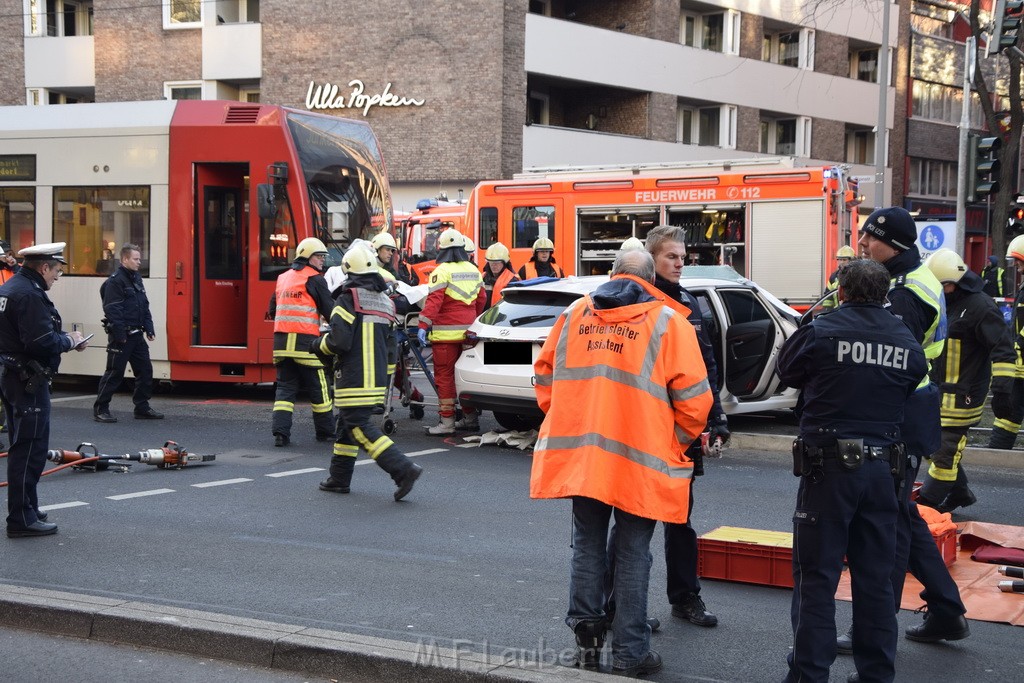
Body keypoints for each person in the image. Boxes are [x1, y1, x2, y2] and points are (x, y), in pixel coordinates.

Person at [530, 249, 712, 676]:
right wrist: (675, 443)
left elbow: (544, 376)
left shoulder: (576, 314)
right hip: (640, 461)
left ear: (612, 276)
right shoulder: (669, 323)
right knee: (634, 554)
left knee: (587, 547)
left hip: (583, 458)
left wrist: (567, 417)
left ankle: (587, 646)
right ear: (651, 280)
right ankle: (631, 654)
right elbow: (695, 403)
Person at [777, 258, 927, 683]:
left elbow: (788, 371)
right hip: (885, 473)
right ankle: (876, 675)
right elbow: (914, 377)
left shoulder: (823, 329)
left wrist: (814, 322)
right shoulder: (903, 335)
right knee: (876, 580)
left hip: (828, 472)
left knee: (817, 577)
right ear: (883, 294)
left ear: (841, 291)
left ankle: (809, 674)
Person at [840, 206, 968, 654]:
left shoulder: (906, 294)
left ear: (890, 242)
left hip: (899, 412)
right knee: (900, 515)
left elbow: (892, 360)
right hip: (909, 409)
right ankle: (947, 610)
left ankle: (873, 630)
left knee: (885, 526)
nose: (863, 246)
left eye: (869, 239)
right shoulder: (906, 279)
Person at [640, 225, 730, 628]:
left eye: (682, 256)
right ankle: (620, 606)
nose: (680, 263)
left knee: (680, 520)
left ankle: (685, 597)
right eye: (670, 257)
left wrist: (717, 418)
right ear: (651, 260)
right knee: (632, 525)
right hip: (642, 429)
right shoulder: (639, 302)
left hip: (683, 432)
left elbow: (705, 367)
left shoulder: (690, 303)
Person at [315, 245, 423, 500]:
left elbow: (338, 341)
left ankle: (403, 469)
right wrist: (384, 379)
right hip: (376, 377)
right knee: (347, 424)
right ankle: (339, 477)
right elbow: (390, 346)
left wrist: (317, 345)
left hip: (354, 375)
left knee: (358, 426)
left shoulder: (348, 297)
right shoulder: (384, 301)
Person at [0, 243, 88, 538]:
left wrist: (63, 338)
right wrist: (70, 340)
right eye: (57, 270)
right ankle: (21, 519)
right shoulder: (28, 295)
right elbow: (40, 342)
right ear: (44, 267)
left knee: (21, 445)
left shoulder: (12, 288)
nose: (58, 276)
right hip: (28, 380)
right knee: (30, 450)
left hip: (13, 376)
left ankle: (28, 508)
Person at [919, 249, 1015, 513]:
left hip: (964, 396)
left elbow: (1003, 348)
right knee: (930, 445)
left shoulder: (981, 307)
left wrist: (1003, 390)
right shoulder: (945, 304)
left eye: (942, 286)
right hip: (938, 392)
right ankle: (960, 493)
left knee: (944, 454)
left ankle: (927, 507)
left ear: (953, 282)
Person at [266, 237, 335, 447]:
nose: (322, 261)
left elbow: (272, 309)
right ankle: (325, 431)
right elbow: (330, 310)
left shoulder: (283, 278)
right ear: (308, 257)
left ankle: (280, 434)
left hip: (281, 344)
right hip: (305, 345)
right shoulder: (315, 279)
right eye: (319, 256)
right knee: (319, 387)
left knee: (285, 390)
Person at [418, 228, 485, 435]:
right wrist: (470, 319)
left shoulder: (442, 271)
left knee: (445, 377)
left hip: (445, 337)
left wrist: (422, 325)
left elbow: (434, 302)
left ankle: (446, 423)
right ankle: (470, 418)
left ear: (442, 249)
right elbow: (481, 299)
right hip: (468, 335)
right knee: (463, 376)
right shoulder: (474, 270)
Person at [93, 243, 162, 422]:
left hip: (137, 335)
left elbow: (144, 305)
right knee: (114, 373)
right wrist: (120, 335)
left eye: (140, 259)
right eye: (136, 259)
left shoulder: (136, 278)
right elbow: (112, 311)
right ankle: (101, 409)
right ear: (124, 259)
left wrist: (149, 328)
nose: (139, 262)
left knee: (145, 371)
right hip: (122, 336)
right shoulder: (115, 282)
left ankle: (142, 407)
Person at [989, 235, 1024, 450]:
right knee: (1009, 412)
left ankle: (998, 451)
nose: (1017, 266)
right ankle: (998, 451)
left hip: (1021, 366)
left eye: (1020, 261)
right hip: (1019, 367)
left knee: (1010, 410)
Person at [481, 242, 519, 309]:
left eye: (497, 263)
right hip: (484, 317)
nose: (494, 265)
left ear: (504, 263)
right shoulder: (483, 278)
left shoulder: (512, 280)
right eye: (491, 262)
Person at [821, 245, 857, 310]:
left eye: (844, 260)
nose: (841, 262)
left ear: (852, 260)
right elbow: (828, 299)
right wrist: (827, 312)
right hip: (838, 313)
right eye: (839, 260)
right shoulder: (834, 277)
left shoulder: (858, 275)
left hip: (853, 312)